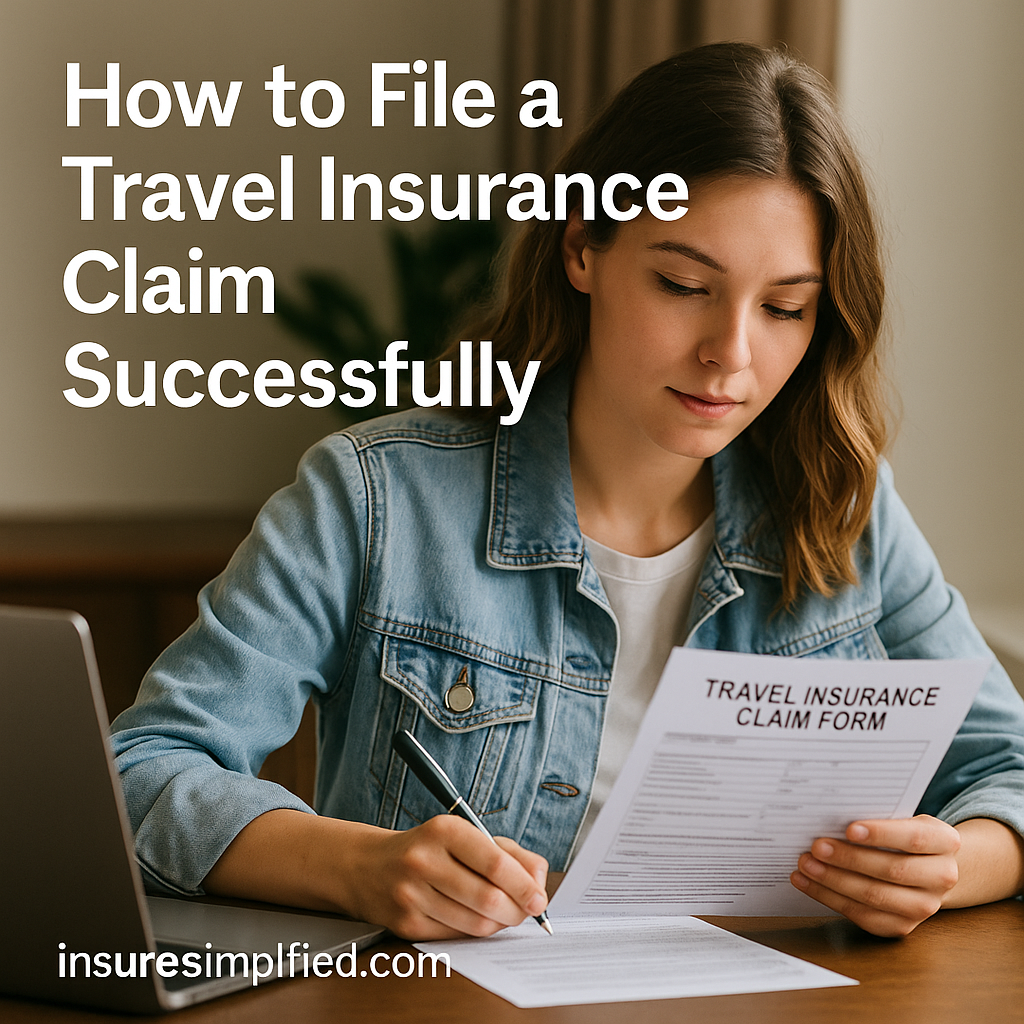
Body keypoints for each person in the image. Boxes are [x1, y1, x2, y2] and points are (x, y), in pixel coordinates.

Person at [110, 42, 1024, 942]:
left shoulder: (845, 511)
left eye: (786, 307)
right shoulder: (376, 498)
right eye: (683, 284)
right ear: (581, 247)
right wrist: (356, 868)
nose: (732, 355)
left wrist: (948, 867)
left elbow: (1010, 773)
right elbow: (141, 769)